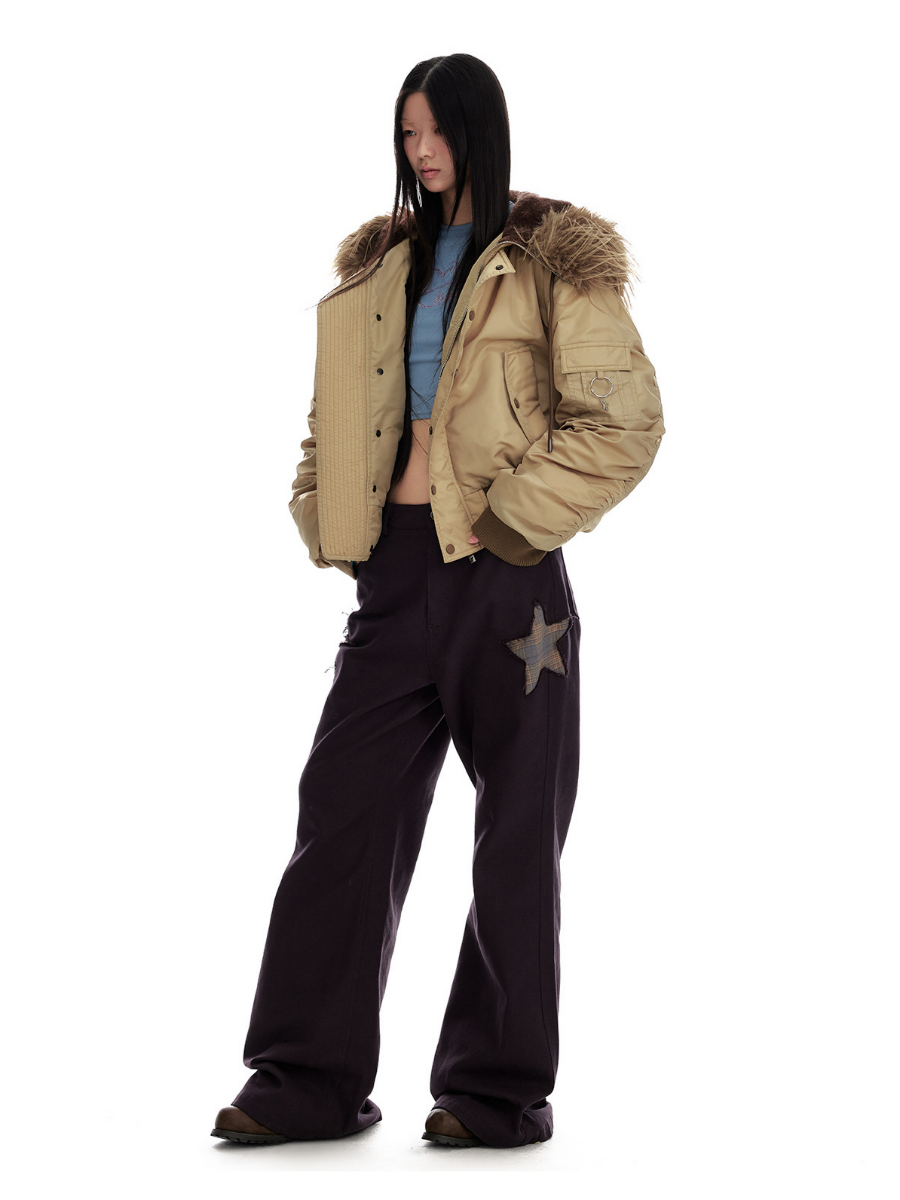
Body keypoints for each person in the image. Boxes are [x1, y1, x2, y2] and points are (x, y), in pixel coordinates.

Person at [211, 52, 665, 1151]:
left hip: (508, 586)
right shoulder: (381, 265)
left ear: (481, 130)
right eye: (407, 133)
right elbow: (332, 420)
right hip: (394, 577)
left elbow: (623, 422)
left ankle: (493, 1091)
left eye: (438, 131)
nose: (421, 152)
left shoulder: (551, 260)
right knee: (342, 817)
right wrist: (328, 516)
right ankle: (305, 1078)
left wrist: (511, 523)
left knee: (516, 837)